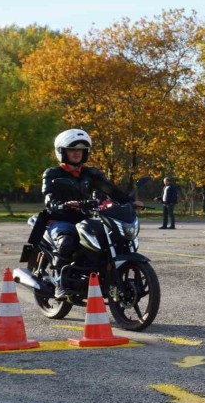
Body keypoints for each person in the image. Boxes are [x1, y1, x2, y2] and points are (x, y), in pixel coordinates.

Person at [42, 128, 139, 299]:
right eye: (72, 149)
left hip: (84, 219)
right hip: (60, 219)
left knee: (110, 238)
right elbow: (49, 198)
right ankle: (60, 283)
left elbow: (111, 191)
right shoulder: (52, 174)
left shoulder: (91, 173)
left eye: (80, 150)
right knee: (67, 240)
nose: (77, 153)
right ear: (62, 152)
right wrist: (62, 205)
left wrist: (129, 202)